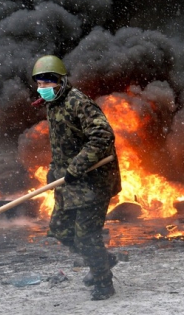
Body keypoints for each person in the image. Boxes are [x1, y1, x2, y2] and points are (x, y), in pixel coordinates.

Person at [32, 55, 122, 301]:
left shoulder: (78, 103)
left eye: (47, 84)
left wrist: (76, 166)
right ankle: (102, 260)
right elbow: (60, 145)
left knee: (86, 236)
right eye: (39, 84)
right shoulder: (53, 106)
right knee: (61, 231)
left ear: (61, 82)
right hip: (69, 182)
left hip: (94, 182)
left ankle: (104, 283)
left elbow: (103, 136)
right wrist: (54, 168)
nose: (43, 89)